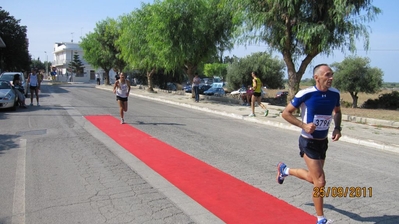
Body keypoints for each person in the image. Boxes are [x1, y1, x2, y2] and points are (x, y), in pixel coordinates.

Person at [277, 64, 342, 224]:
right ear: (317, 77)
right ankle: (321, 219)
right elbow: (285, 113)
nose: (331, 78)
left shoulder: (335, 94)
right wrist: (303, 125)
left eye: (332, 75)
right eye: (327, 75)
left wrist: (338, 128)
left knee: (315, 179)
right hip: (308, 141)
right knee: (320, 181)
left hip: (323, 142)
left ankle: (285, 170)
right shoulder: (306, 93)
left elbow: (337, 111)